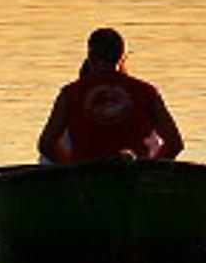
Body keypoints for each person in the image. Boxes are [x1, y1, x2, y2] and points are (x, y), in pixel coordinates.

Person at [36, 28, 186, 164]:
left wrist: (70, 169)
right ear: (120, 55)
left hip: (85, 175)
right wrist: (151, 171)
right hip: (134, 176)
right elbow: (174, 143)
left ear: (90, 55)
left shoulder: (70, 93)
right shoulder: (146, 91)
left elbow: (46, 144)